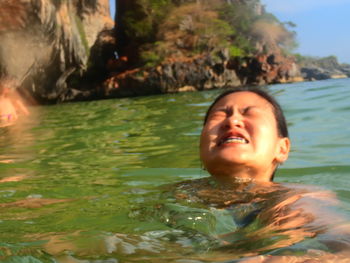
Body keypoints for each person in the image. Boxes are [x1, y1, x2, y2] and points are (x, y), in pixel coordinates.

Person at [200, 86, 290, 183]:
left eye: (250, 113)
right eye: (219, 115)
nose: (232, 120)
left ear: (282, 149)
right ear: (201, 148)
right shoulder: (182, 193)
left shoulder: (303, 197)